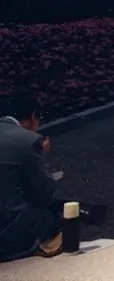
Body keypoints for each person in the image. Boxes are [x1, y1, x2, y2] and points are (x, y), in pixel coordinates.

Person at [0, 90, 63, 260]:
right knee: (55, 212)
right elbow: (44, 194)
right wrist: (41, 156)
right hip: (7, 239)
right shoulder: (28, 140)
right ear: (33, 116)